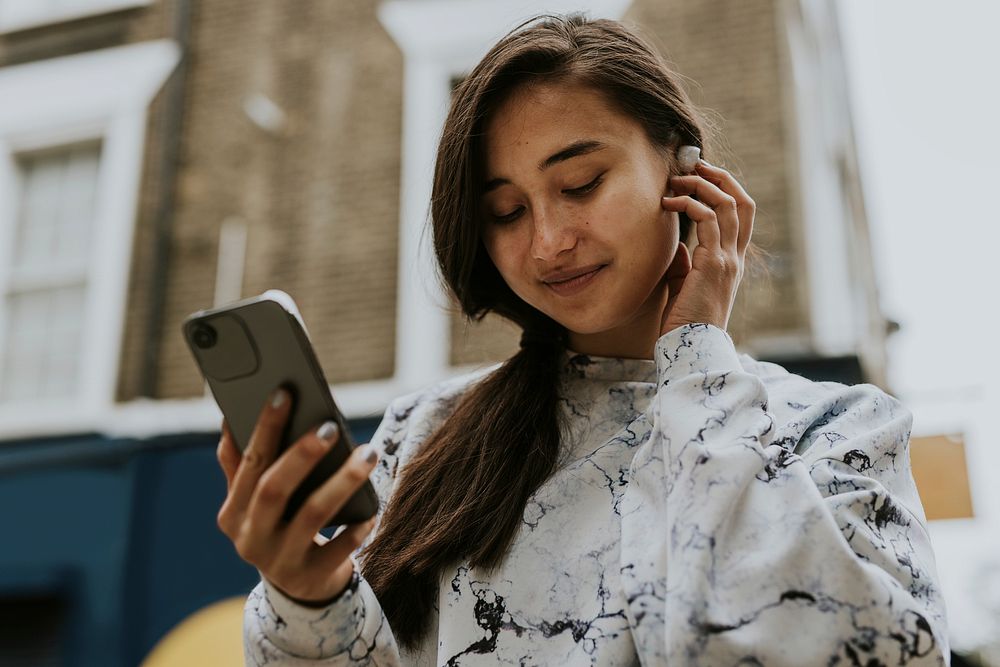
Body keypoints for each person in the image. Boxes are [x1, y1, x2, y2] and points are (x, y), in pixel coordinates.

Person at [218, 14, 948, 666]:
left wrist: (695, 358)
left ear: (684, 172)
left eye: (580, 182)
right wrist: (308, 602)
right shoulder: (424, 439)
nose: (547, 243)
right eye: (505, 212)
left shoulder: (837, 430)